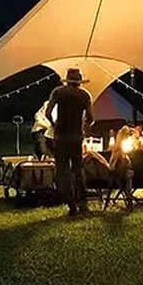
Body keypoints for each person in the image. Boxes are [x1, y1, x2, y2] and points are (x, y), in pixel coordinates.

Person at [46, 68, 94, 216]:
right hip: (76, 137)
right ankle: (82, 203)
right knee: (78, 170)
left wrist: (54, 124)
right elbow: (91, 118)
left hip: (61, 137)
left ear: (67, 80)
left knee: (63, 171)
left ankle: (70, 203)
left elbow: (48, 113)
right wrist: (83, 127)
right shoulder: (84, 95)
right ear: (79, 81)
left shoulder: (58, 92)